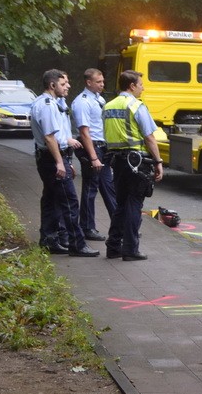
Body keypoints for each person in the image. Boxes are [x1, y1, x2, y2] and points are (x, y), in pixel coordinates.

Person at [29, 70, 100, 257]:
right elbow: (49, 137)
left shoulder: (49, 103)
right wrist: (60, 163)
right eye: (63, 83)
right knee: (70, 202)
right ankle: (77, 244)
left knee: (51, 200)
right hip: (52, 158)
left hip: (52, 157)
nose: (68, 86)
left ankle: (49, 240)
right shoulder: (46, 105)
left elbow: (57, 135)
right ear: (52, 85)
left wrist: (66, 159)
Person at [103, 70, 164, 261]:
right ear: (132, 86)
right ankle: (130, 249)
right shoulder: (136, 106)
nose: (143, 87)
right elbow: (149, 136)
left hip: (117, 161)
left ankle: (113, 247)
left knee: (121, 204)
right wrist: (158, 162)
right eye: (141, 84)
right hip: (136, 161)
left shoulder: (108, 106)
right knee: (134, 204)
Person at [71, 68, 117, 241]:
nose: (102, 85)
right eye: (98, 82)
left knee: (108, 186)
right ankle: (87, 227)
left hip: (102, 147)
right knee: (91, 188)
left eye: (103, 81)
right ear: (88, 82)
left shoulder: (100, 99)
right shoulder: (82, 102)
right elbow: (84, 132)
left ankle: (118, 223)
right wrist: (93, 157)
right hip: (93, 148)